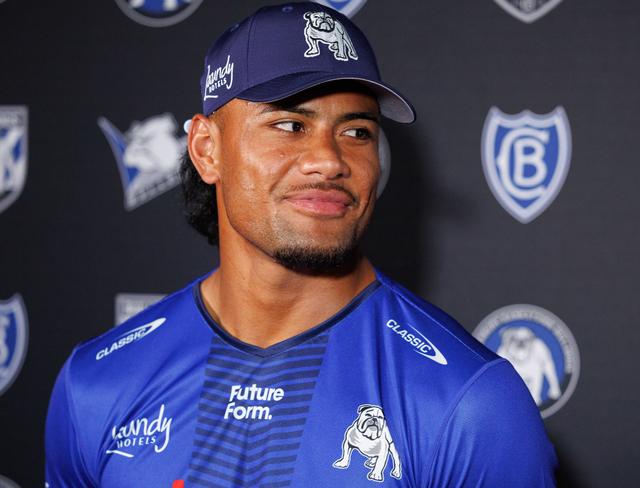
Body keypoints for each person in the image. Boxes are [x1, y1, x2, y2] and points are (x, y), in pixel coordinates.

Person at [45, 2, 557, 487]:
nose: (330, 160)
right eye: (290, 125)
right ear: (207, 149)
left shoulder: (470, 402)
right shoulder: (97, 383)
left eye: (357, 131)